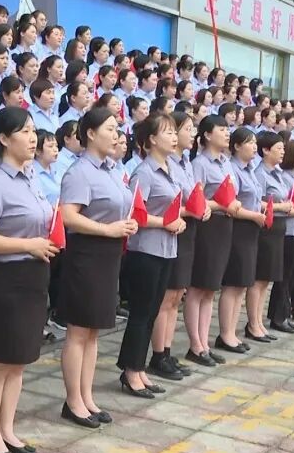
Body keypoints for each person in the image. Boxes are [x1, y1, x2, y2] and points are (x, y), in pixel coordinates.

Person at [0, 107, 56, 453]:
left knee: (19, 360)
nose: (33, 138)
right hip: (5, 281)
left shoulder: (30, 177)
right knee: (0, 361)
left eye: (34, 130)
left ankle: (8, 428)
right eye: (24, 132)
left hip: (34, 276)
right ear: (4, 139)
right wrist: (27, 245)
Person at [58, 107, 137, 427]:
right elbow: (68, 216)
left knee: (93, 332)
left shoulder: (112, 170)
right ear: (90, 134)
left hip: (108, 254)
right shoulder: (80, 172)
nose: (116, 135)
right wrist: (107, 229)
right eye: (110, 129)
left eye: (118, 129)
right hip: (86, 255)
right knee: (79, 331)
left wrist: (125, 224)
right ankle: (73, 401)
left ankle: (87, 396)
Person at [117, 112, 185, 397]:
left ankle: (139, 368)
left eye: (174, 132)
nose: (174, 137)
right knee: (141, 313)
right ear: (151, 140)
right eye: (167, 132)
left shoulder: (170, 169)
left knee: (151, 312)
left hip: (166, 248)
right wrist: (166, 222)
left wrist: (176, 220)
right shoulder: (143, 172)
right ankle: (130, 371)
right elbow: (135, 213)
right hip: (145, 250)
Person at [148, 112, 204, 379]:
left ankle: (167, 351)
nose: (191, 134)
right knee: (167, 297)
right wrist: (188, 211)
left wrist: (200, 208)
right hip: (171, 231)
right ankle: (158, 354)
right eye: (185, 129)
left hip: (186, 230)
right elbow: (167, 204)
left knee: (177, 295)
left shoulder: (185, 163)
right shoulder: (163, 165)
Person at [183, 115, 239, 367]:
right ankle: (195, 345)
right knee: (198, 287)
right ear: (206, 135)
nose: (227, 133)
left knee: (210, 289)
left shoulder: (226, 162)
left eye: (228, 129)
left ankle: (204, 343)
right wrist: (220, 204)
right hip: (207, 226)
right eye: (221, 129)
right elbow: (196, 200)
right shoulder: (200, 164)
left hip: (224, 226)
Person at [216, 127, 266, 353]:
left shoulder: (250, 170)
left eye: (255, 142)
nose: (254, 147)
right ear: (236, 146)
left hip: (251, 229)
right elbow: (232, 204)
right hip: (238, 228)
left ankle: (232, 332)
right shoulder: (232, 169)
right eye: (249, 143)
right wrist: (254, 215)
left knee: (243, 284)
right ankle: (225, 333)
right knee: (233, 282)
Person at [251, 132, 291, 336]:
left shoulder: (277, 173)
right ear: (265, 150)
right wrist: (281, 206)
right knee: (259, 278)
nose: (283, 152)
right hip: (266, 229)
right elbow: (257, 202)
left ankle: (259, 322)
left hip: (278, 228)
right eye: (279, 148)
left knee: (267, 279)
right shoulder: (260, 173)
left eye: (283, 148)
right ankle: (253, 324)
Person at [267, 139, 294, 333]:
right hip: (289, 229)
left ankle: (285, 313)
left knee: (292, 275)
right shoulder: (284, 177)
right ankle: (278, 316)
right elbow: (285, 206)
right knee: (283, 276)